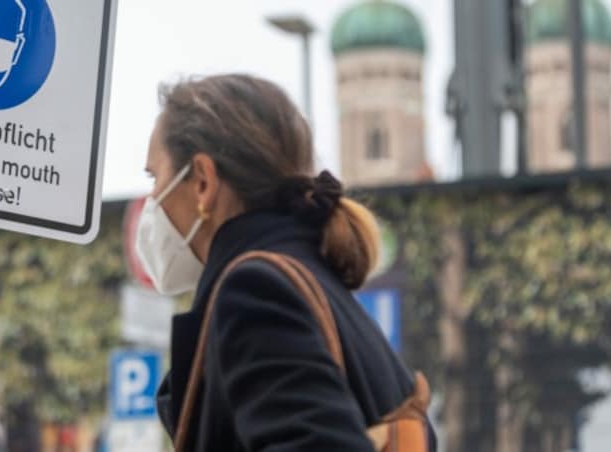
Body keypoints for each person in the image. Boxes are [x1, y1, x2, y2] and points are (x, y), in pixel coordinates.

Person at [135, 74, 435, 451]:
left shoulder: (256, 292)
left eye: (154, 176)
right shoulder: (322, 291)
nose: (152, 198)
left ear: (202, 182)